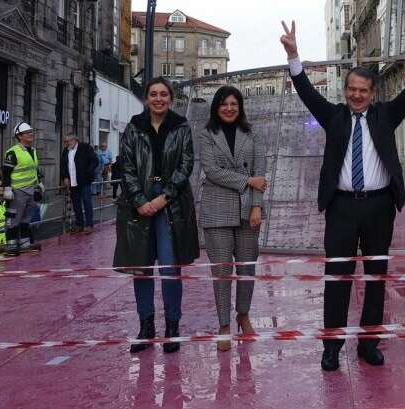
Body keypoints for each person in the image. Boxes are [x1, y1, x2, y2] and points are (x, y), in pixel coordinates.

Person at [279, 20, 405, 372]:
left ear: (373, 92)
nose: (356, 95)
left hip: (379, 206)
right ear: (345, 90)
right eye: (351, 89)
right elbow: (306, 92)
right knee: (337, 278)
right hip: (342, 207)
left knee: (376, 276)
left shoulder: (385, 115)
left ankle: (369, 342)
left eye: (363, 90)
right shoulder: (333, 116)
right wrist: (294, 57)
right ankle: (331, 346)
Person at [114, 76, 199, 354]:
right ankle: (146, 326)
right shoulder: (134, 128)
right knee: (142, 267)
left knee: (169, 267)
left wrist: (164, 197)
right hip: (138, 205)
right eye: (154, 94)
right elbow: (125, 166)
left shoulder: (181, 127)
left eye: (164, 94)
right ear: (146, 98)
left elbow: (186, 164)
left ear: (170, 98)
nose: (159, 99)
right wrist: (140, 201)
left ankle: (172, 326)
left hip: (171, 203)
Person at [198, 85, 266, 351]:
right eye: (224, 104)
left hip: (248, 208)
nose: (229, 108)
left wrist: (257, 206)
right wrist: (247, 180)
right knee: (222, 271)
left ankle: (243, 315)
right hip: (217, 211)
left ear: (240, 107)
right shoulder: (206, 134)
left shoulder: (252, 133)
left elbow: (261, 173)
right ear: (216, 107)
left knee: (247, 268)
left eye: (234, 104)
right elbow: (211, 170)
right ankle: (224, 324)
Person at [1, 122, 44, 256]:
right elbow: (6, 172)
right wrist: (7, 188)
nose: (31, 134)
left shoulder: (33, 151)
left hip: (30, 190)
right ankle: (11, 245)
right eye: (27, 132)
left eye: (31, 131)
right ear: (19, 136)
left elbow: (34, 169)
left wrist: (39, 183)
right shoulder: (12, 152)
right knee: (13, 218)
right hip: (17, 191)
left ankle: (25, 244)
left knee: (26, 218)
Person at [60, 134, 101, 234]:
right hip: (72, 182)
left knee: (87, 203)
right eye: (65, 141)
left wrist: (88, 173)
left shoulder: (85, 147)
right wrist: (65, 177)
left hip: (84, 181)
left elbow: (95, 161)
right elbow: (63, 165)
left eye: (67, 141)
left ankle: (89, 225)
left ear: (74, 140)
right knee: (76, 204)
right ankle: (79, 224)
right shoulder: (66, 151)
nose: (66, 143)